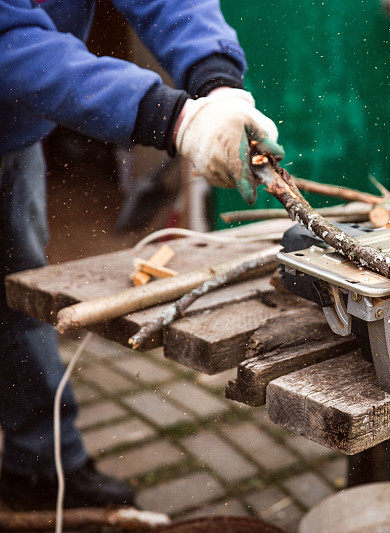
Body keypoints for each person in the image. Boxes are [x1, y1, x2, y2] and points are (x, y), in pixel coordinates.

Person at [0, 0, 282, 509]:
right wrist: (174, 120)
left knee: (18, 308)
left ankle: (39, 468)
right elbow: (9, 40)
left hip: (12, 137)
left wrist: (217, 84)